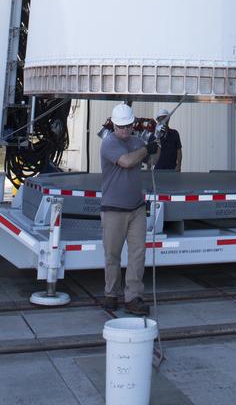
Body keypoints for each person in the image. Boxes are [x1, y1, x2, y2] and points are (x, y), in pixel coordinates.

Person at [99, 102, 159, 314]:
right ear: (113, 125)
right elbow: (126, 161)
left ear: (133, 124)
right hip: (113, 208)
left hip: (136, 208)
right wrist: (145, 149)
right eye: (120, 126)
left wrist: (154, 146)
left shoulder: (136, 141)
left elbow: (151, 161)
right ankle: (111, 294)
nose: (124, 130)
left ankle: (133, 297)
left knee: (137, 253)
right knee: (112, 254)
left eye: (127, 126)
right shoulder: (109, 144)